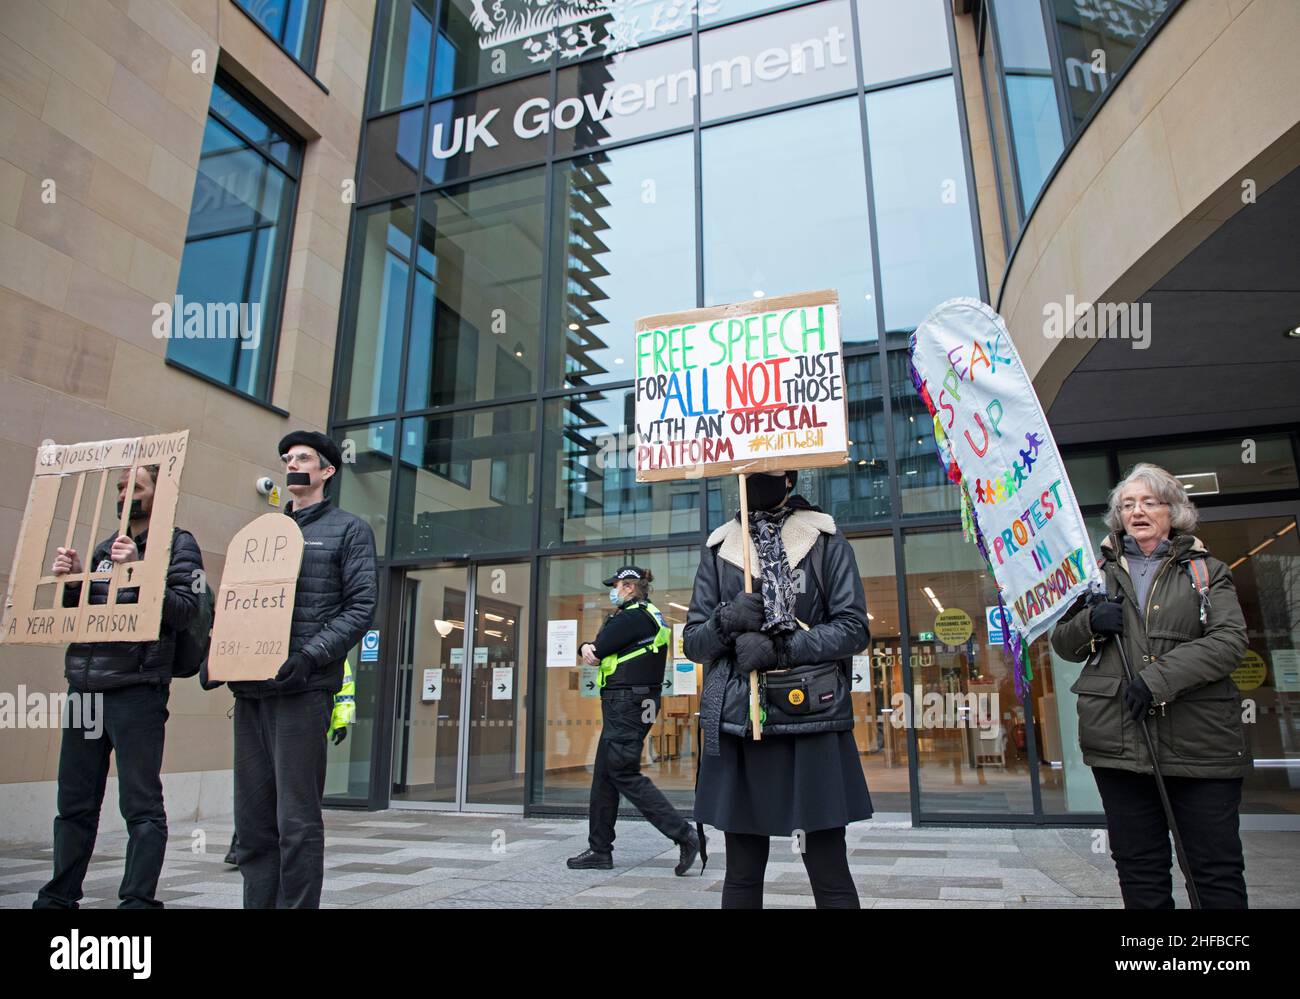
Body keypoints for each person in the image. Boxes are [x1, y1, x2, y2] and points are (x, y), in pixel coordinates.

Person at [1051, 462, 1251, 908]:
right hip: (1119, 744)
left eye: (1148, 502)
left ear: (1173, 510)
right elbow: (1063, 643)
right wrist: (1090, 622)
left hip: (1201, 746)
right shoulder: (1092, 576)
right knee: (1139, 870)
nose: (1136, 511)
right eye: (1127, 504)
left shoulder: (1206, 571)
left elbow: (1229, 642)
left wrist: (1156, 680)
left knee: (1214, 871)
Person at [202, 430, 376, 908]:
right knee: (253, 823)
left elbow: (360, 608)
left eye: (304, 457)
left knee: (296, 821)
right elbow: (238, 606)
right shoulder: (260, 536)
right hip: (251, 692)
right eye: (287, 458)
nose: (292, 463)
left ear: (326, 471)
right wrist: (217, 656)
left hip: (302, 690)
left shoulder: (349, 530)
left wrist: (309, 656)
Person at [684, 470, 872, 909]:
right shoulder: (718, 549)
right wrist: (725, 621)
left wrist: (782, 648)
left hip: (812, 724)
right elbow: (693, 642)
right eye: (748, 473)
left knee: (828, 871)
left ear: (790, 477)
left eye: (767, 472)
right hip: (741, 725)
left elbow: (853, 629)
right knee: (742, 874)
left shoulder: (827, 542)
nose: (755, 481)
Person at [34, 464, 204, 908]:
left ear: (159, 495)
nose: (127, 494)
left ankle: (137, 901)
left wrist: (139, 571)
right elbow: (86, 610)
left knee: (141, 804)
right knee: (73, 802)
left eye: (137, 487)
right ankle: (59, 896)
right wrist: (71, 580)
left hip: (137, 689)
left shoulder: (177, 544)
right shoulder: (105, 547)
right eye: (122, 487)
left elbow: (185, 609)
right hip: (86, 688)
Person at [566, 566, 702, 875]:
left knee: (622, 771)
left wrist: (585, 646)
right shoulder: (649, 615)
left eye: (615, 585)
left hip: (626, 704)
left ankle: (684, 835)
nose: (612, 591)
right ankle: (600, 849)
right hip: (633, 702)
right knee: (604, 774)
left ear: (628, 587)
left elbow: (597, 651)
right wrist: (588, 647)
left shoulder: (631, 616)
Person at [224, 658, 355, 867]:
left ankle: (246, 847)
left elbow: (345, 689)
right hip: (280, 712)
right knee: (263, 799)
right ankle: (240, 845)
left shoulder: (334, 657)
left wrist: (341, 721)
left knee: (289, 804)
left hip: (308, 720)